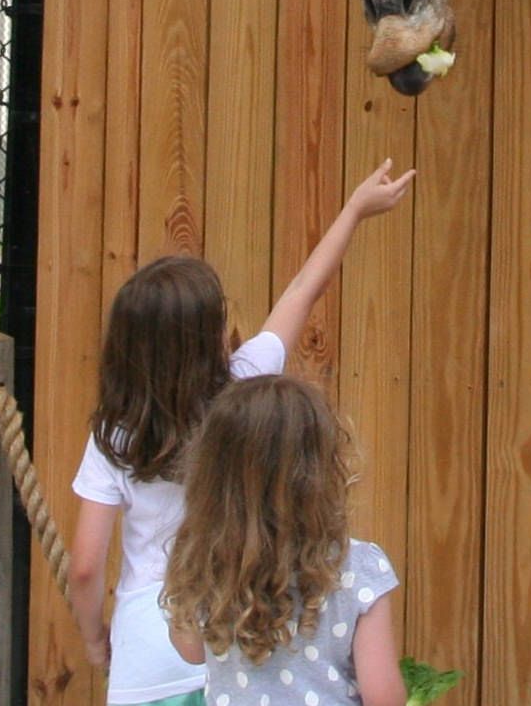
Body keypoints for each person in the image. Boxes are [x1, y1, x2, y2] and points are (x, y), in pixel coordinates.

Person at [66, 159, 415, 706]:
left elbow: (86, 565)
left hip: (153, 643)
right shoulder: (245, 381)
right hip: (235, 628)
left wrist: (94, 640)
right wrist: (353, 211)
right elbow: (304, 288)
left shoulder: (115, 432)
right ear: (207, 336)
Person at [162, 375, 403, 706]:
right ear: (320, 468)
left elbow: (190, 651)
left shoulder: (204, 560)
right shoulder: (358, 567)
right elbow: (384, 699)